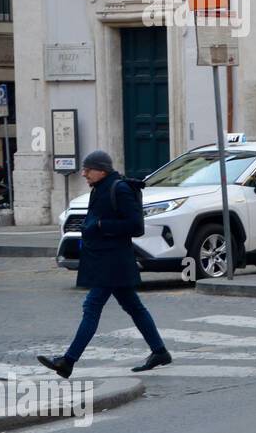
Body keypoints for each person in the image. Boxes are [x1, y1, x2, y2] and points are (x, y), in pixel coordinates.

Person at [38, 150, 173, 379]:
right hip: (106, 259)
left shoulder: (118, 188)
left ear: (101, 170)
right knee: (134, 307)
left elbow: (135, 226)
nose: (83, 174)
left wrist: (101, 225)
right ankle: (159, 351)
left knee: (92, 307)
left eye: (88, 169)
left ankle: (67, 361)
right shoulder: (101, 188)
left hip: (113, 261)